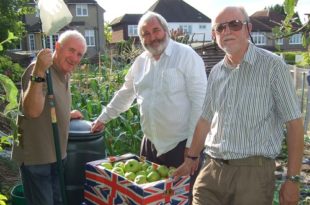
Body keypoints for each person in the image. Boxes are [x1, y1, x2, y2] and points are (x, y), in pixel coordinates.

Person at [173, 6, 304, 205]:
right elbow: (205, 119)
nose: (227, 31)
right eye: (220, 28)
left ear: (248, 28)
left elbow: (294, 124)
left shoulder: (272, 66)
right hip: (211, 170)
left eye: (234, 24)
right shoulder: (217, 71)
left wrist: (292, 179)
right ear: (214, 35)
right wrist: (191, 159)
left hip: (252, 176)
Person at [91, 11, 207, 202]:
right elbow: (125, 93)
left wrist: (192, 150)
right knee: (149, 199)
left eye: (156, 30)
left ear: (165, 30)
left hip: (180, 146)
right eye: (145, 33)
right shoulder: (140, 62)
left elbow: (200, 103)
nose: (152, 37)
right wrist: (103, 118)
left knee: (180, 199)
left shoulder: (186, 56)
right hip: (150, 146)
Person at [11, 30, 87, 205]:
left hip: (57, 155)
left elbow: (48, 107)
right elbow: (31, 111)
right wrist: (38, 70)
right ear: (58, 47)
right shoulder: (39, 70)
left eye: (79, 54)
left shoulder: (63, 73)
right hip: (37, 158)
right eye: (71, 50)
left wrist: (67, 115)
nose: (75, 58)